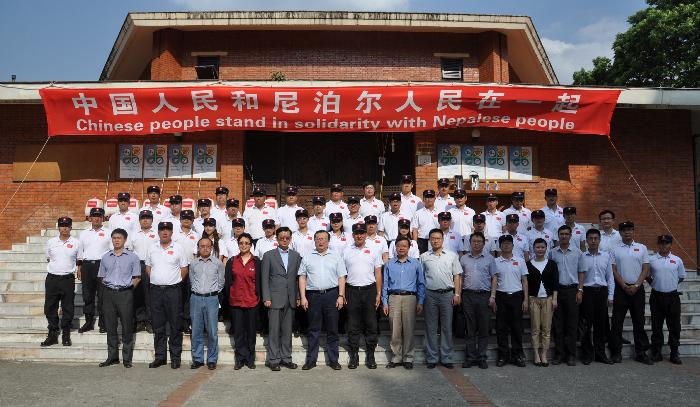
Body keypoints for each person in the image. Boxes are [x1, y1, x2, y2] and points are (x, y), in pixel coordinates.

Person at [299, 230, 347, 370]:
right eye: (318, 239)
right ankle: (311, 360)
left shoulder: (336, 256)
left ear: (328, 241)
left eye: (324, 239)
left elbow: (341, 277)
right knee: (313, 329)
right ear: (314, 241)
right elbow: (302, 277)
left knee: (332, 329)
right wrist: (303, 297)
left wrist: (341, 296)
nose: (321, 241)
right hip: (313, 296)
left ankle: (333, 360)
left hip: (331, 295)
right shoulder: (307, 256)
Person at [146, 221, 189, 369]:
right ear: (158, 232)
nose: (165, 232)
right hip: (156, 291)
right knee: (158, 325)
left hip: (173, 291)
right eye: (162, 230)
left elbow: (184, 269)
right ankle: (160, 357)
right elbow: (148, 267)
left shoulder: (178, 248)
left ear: (171, 232)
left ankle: (175, 357)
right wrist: (158, 280)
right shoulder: (152, 247)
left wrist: (173, 281)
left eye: (167, 230)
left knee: (175, 324)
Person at [609, 221, 652, 364]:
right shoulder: (614, 249)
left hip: (638, 290)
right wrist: (624, 286)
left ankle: (641, 353)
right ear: (620, 232)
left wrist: (637, 285)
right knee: (617, 322)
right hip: (621, 290)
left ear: (633, 231)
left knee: (639, 321)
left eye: (629, 230)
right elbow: (613, 269)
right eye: (624, 230)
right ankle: (616, 352)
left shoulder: (642, 248)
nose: (627, 232)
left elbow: (645, 268)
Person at [97, 228, 141, 368]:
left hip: (125, 294)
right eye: (114, 238)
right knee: (110, 327)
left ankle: (127, 358)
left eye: (119, 238)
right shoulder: (105, 257)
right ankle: (112, 357)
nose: (116, 240)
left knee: (127, 326)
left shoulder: (132, 257)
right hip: (109, 294)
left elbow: (137, 277)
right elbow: (101, 276)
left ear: (125, 240)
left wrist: (127, 289)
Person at [343, 223, 383, 369]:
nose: (359, 236)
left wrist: (378, 293)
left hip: (369, 290)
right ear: (353, 235)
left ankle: (370, 355)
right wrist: (343, 293)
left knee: (371, 324)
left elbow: (378, 273)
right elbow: (342, 274)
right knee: (353, 324)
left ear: (365, 234)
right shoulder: (346, 250)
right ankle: (354, 355)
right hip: (351, 290)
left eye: (362, 233)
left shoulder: (374, 250)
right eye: (357, 233)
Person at [421, 228, 462, 369]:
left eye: (438, 238)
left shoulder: (452, 255)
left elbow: (457, 275)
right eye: (433, 238)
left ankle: (446, 357)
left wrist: (457, 294)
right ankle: (432, 358)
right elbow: (421, 278)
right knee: (431, 327)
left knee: (446, 327)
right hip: (430, 294)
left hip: (447, 295)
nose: (435, 241)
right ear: (429, 240)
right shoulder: (424, 257)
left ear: (443, 240)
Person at [261, 227, 301, 371]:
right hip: (274, 298)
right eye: (281, 238)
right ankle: (273, 359)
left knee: (287, 331)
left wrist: (298, 296)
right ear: (277, 239)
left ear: (290, 239)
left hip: (290, 298)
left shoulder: (296, 256)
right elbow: (264, 278)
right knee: (274, 331)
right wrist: (266, 297)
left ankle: (286, 358)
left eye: (287, 238)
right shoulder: (268, 255)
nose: (284, 240)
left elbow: (298, 278)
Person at [382, 236, 425, 370]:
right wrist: (385, 302)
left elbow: (421, 284)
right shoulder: (389, 264)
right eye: (399, 245)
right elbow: (385, 284)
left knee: (409, 328)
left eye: (404, 246)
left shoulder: (416, 264)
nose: (401, 248)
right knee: (395, 328)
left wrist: (420, 301)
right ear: (395, 247)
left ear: (409, 248)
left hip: (410, 298)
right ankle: (396, 357)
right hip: (393, 298)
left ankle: (408, 357)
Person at [42, 216, 82, 347]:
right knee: (50, 307)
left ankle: (66, 334)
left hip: (67, 279)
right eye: (62, 225)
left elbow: (79, 260)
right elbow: (49, 258)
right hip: (52, 278)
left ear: (71, 227)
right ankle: (52, 334)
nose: (64, 228)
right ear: (58, 227)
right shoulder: (51, 242)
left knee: (68, 307)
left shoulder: (76, 243)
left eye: (67, 226)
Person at [549, 224, 584, 366]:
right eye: (561, 234)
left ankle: (571, 355)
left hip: (572, 291)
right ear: (558, 236)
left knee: (571, 324)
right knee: (558, 324)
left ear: (570, 236)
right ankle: (559, 354)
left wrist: (580, 291)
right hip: (557, 291)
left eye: (566, 234)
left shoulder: (578, 252)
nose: (564, 236)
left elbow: (581, 272)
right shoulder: (552, 253)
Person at [225, 233, 261, 370]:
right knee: (238, 332)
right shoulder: (232, 261)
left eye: (246, 243)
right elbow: (228, 282)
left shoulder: (257, 262)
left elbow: (259, 282)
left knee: (251, 332)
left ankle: (250, 359)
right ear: (238, 244)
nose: (244, 245)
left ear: (251, 245)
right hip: (236, 302)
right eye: (241, 243)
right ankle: (240, 359)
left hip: (252, 301)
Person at [460, 232, 495, 369]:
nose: (476, 243)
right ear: (470, 243)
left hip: (484, 296)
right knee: (470, 328)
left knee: (483, 327)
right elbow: (460, 278)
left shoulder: (490, 259)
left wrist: (493, 296)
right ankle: (470, 357)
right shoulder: (464, 259)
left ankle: (481, 357)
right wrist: (459, 294)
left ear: (484, 243)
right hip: (468, 295)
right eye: (474, 241)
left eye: (479, 241)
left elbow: (494, 278)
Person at [492, 234, 529, 367]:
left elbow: (524, 281)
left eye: (509, 243)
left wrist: (525, 299)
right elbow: (494, 280)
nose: (506, 245)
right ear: (500, 246)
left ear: (513, 245)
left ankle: (517, 355)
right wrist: (493, 297)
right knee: (501, 327)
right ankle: (503, 355)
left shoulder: (520, 261)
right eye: (503, 243)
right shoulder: (495, 261)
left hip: (516, 296)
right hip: (501, 296)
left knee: (517, 327)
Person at [579, 229, 615, 365]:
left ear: (599, 240)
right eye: (590, 238)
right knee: (586, 325)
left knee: (600, 325)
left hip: (601, 292)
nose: (593, 241)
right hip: (587, 292)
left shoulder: (606, 256)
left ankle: (600, 353)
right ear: (586, 241)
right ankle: (587, 354)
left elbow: (610, 277)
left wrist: (610, 295)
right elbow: (579, 276)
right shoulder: (582, 256)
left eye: (596, 238)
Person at [189, 237, 225, 370]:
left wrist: (213, 292)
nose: (205, 248)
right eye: (202, 246)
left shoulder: (218, 263)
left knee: (212, 331)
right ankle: (197, 359)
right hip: (196, 298)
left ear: (212, 248)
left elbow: (221, 282)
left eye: (208, 246)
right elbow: (192, 280)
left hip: (211, 299)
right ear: (198, 248)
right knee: (196, 330)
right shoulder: (193, 263)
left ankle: (212, 359)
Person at [648, 235, 685, 365]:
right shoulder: (652, 260)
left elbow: (681, 277)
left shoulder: (677, 260)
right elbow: (647, 275)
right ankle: (657, 352)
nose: (664, 245)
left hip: (672, 297)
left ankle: (674, 352)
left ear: (670, 244)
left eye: (667, 243)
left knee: (674, 326)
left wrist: (671, 284)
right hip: (656, 296)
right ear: (658, 244)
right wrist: (655, 284)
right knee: (656, 325)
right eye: (662, 243)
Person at [78, 207, 112, 333]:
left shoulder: (108, 232)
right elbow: (80, 252)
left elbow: (112, 251)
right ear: (90, 218)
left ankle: (103, 323)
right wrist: (79, 268)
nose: (97, 218)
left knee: (103, 296)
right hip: (87, 266)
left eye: (99, 216)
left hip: (102, 266)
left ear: (103, 218)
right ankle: (88, 322)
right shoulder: (84, 233)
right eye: (94, 216)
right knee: (87, 295)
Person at [526, 238, 559, 366]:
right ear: (533, 249)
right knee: (535, 328)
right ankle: (536, 354)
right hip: (533, 299)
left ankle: (544, 354)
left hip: (548, 299)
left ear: (546, 248)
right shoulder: (528, 264)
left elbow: (555, 282)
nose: (540, 249)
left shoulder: (552, 264)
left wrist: (554, 298)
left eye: (542, 247)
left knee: (546, 329)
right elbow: (526, 284)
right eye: (537, 247)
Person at [128, 210, 158, 333]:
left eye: (148, 218)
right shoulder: (133, 234)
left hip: (153, 266)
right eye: (143, 218)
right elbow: (129, 251)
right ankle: (140, 320)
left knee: (150, 295)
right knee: (138, 294)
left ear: (152, 220)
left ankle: (151, 321)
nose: (145, 220)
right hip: (137, 265)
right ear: (139, 220)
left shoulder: (156, 234)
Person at [412, 190, 439, 254]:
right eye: (427, 197)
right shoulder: (417, 213)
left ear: (435, 199)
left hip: (436, 241)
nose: (429, 199)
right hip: (421, 241)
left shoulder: (439, 213)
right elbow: (415, 230)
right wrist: (415, 245)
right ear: (423, 199)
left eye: (431, 197)